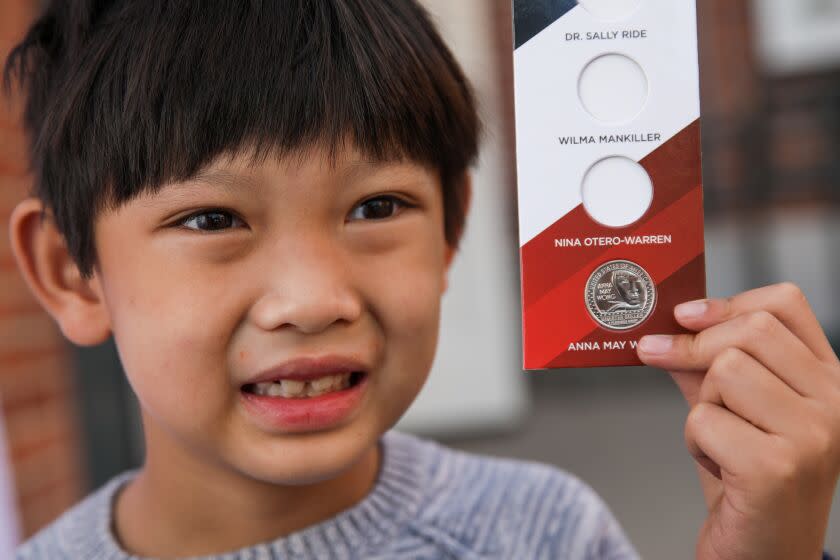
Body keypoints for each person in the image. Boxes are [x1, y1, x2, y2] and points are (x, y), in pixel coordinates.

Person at [4, 1, 839, 558]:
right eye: (213, 220)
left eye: (375, 208)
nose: (315, 299)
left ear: (450, 229)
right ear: (70, 273)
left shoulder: (543, 533)